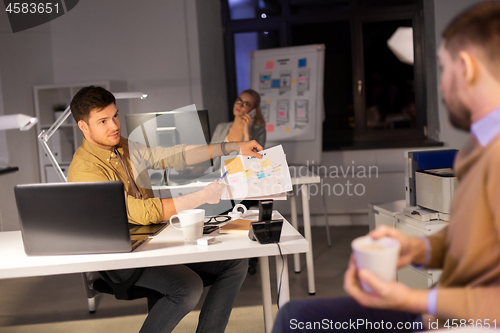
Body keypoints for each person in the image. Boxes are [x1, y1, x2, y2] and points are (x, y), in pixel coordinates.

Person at [272, 2, 500, 332]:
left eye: (443, 70)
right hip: (440, 312)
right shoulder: (479, 146)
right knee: (295, 317)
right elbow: (474, 239)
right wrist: (418, 247)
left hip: (459, 319)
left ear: (466, 67)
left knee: (298, 322)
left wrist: (413, 301)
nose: (441, 87)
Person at [67, 85, 263, 333]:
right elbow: (140, 212)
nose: (114, 125)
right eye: (103, 121)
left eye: (115, 116)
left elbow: (174, 155)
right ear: (84, 127)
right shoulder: (85, 169)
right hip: (119, 258)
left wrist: (234, 147)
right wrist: (202, 196)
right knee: (188, 287)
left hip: (149, 243)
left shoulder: (123, 146)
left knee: (235, 262)